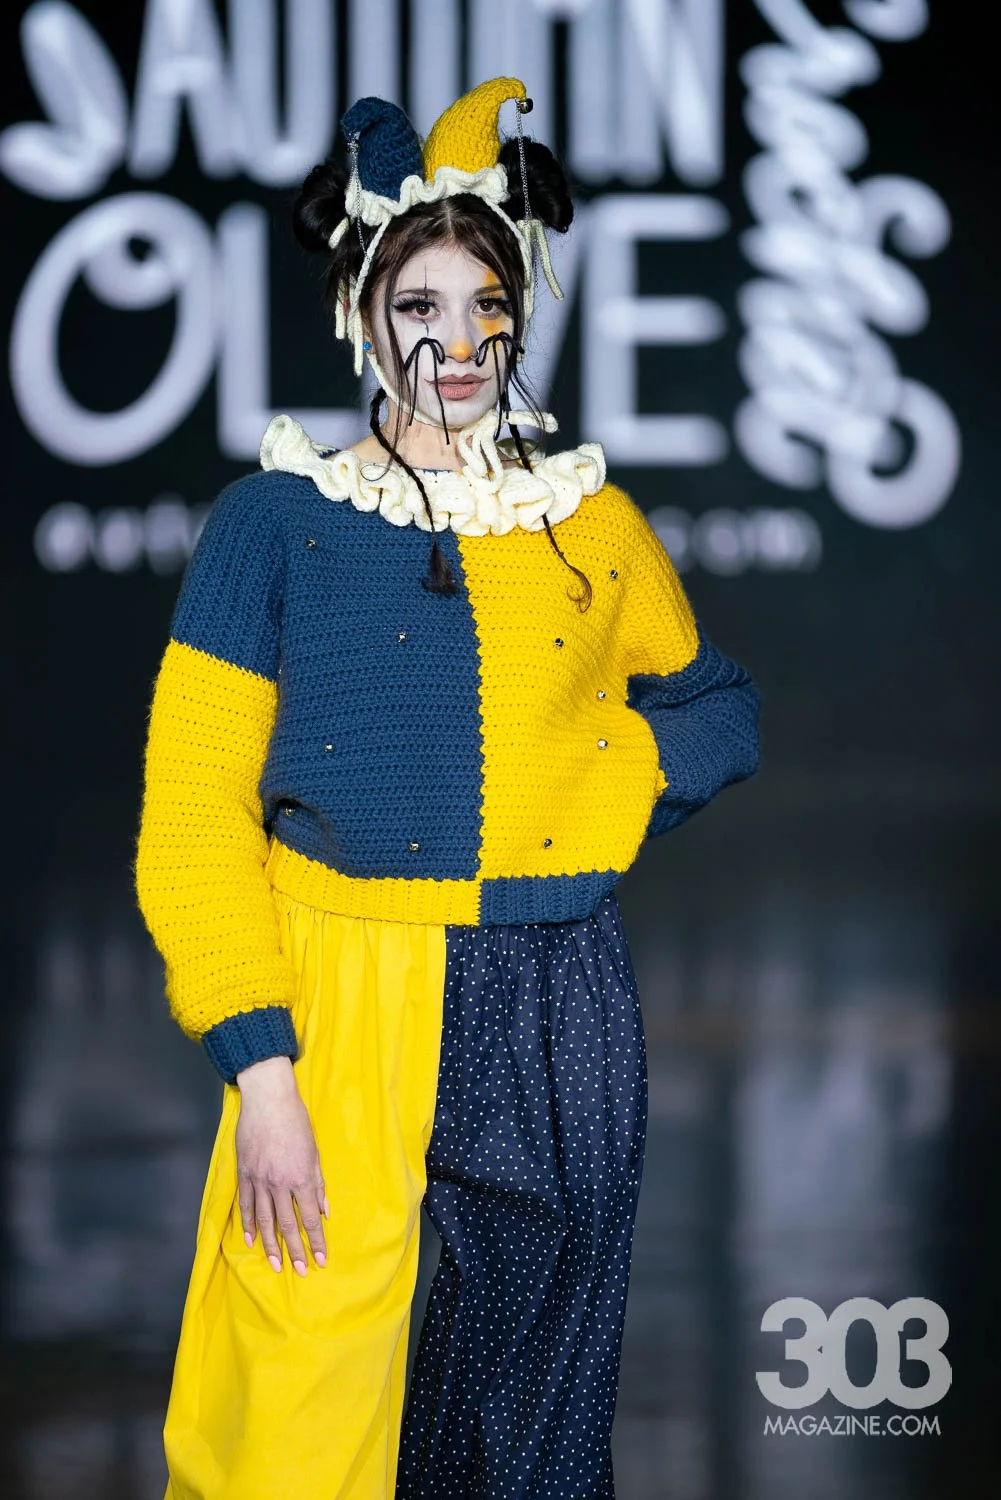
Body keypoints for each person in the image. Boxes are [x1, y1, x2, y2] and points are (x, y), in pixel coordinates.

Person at [134, 76, 761, 1500]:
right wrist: (262, 1070)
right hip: (344, 995)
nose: (458, 342)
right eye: (420, 305)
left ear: (520, 316)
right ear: (362, 313)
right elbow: (192, 816)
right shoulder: (273, 525)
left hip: (558, 992)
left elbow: (718, 704)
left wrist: (603, 779)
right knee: (296, 1409)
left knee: (532, 1423)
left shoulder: (588, 524)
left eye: (488, 305)